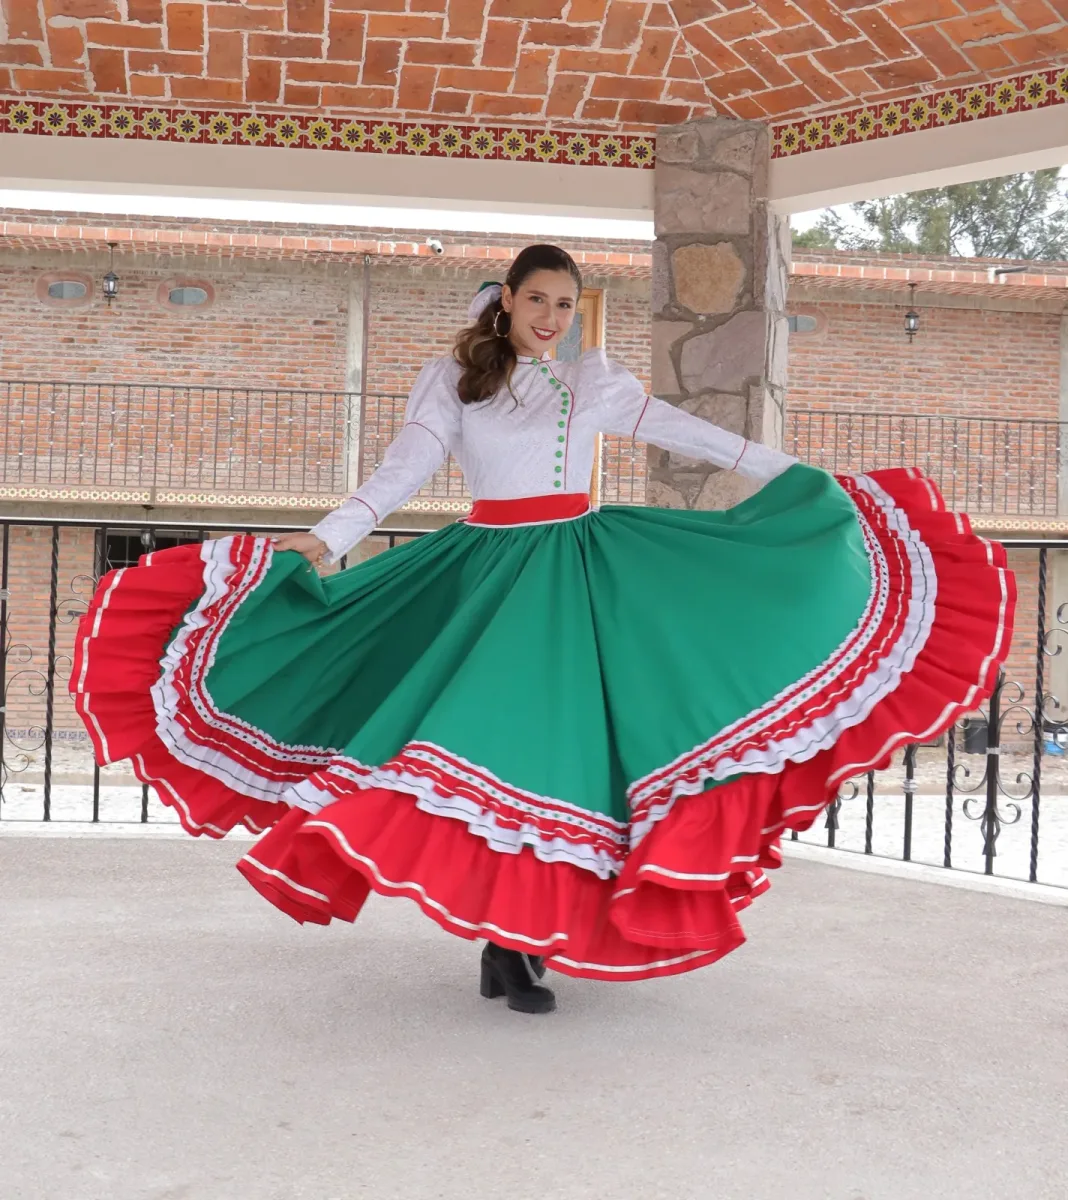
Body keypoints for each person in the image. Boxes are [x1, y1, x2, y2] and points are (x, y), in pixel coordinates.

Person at [72, 244, 1015, 1015]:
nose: (553, 316)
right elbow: (404, 471)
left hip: (584, 568)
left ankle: (516, 944)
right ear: (508, 302)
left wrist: (799, 477)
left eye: (566, 302)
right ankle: (508, 945)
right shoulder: (454, 378)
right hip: (484, 571)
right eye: (538, 299)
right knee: (489, 745)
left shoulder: (592, 381)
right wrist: (328, 540)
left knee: (572, 760)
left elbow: (692, 435)